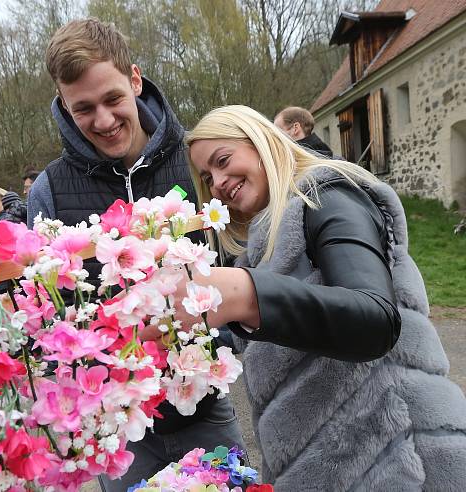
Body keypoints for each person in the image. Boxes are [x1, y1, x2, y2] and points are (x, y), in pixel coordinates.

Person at [179, 105, 466, 489]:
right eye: (207, 176)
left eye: (223, 160)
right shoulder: (260, 249)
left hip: (399, 462)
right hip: (334, 470)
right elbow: (286, 338)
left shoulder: (325, 196)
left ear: (261, 142)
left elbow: (375, 320)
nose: (217, 182)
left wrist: (247, 295)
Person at [27, 19, 245, 492]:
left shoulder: (196, 162)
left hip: (205, 407)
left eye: (112, 99)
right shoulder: (49, 191)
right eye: (83, 108)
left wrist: (223, 339)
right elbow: (50, 317)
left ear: (135, 79)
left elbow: (243, 260)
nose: (103, 121)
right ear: (63, 105)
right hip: (120, 427)